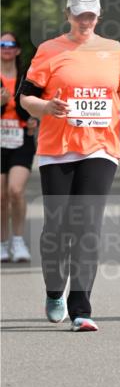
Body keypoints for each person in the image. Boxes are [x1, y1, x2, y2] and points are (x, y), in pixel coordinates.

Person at [19, 0, 120, 331]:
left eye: (90, 14)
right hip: (56, 149)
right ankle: (55, 290)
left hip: (101, 147)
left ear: (98, 16)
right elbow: (26, 96)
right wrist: (46, 107)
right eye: (79, 14)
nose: (85, 20)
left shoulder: (114, 50)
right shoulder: (50, 50)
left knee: (87, 226)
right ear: (68, 15)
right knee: (57, 230)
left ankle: (81, 305)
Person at [1, 32, 37, 262]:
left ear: (17, 50)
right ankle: (2, 243)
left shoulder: (27, 78)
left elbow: (37, 105)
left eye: (10, 44)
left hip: (22, 139)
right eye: (2, 44)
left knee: (15, 190)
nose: (6, 48)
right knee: (0, 197)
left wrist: (35, 119)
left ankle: (18, 240)